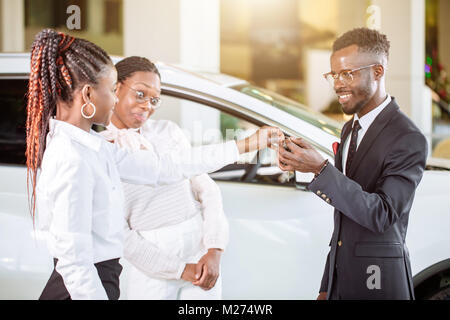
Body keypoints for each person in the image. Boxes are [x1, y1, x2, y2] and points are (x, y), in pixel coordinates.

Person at [26, 29, 282, 300]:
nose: (113, 100)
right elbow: (74, 263)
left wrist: (244, 145)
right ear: (88, 94)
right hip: (85, 286)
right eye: (112, 91)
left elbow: (164, 167)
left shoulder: (92, 148)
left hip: (102, 278)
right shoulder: (72, 157)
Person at [277, 28, 428, 300]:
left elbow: (381, 214)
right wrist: (327, 285)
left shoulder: (408, 138)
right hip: (340, 282)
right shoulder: (349, 131)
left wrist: (321, 170)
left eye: (348, 74)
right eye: (334, 75)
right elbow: (343, 221)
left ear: (378, 72)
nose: (338, 85)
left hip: (379, 282)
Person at [99, 56, 235, 300]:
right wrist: (181, 269)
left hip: (200, 250)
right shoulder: (101, 149)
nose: (147, 106)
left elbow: (207, 190)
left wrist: (214, 250)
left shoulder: (167, 132)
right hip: (152, 262)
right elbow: (120, 233)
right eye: (140, 94)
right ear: (115, 88)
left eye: (154, 100)